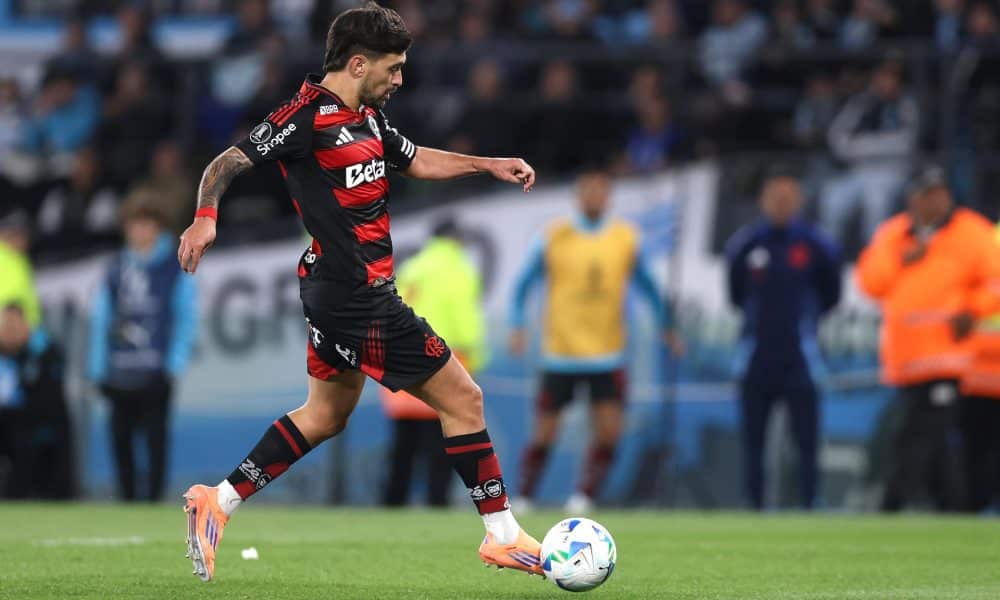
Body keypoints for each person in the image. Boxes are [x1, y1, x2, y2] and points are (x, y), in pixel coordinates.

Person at [176, 3, 539, 582]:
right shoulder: (304, 117)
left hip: (335, 291)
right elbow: (228, 162)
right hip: (357, 298)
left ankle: (217, 501)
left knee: (325, 416)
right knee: (463, 398)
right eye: (393, 68)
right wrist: (205, 218)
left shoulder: (368, 118)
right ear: (358, 63)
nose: (400, 80)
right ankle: (502, 535)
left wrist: (488, 164)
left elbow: (416, 160)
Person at [509, 168, 681, 513]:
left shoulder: (626, 238)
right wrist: (518, 325)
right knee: (545, 432)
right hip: (561, 351)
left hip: (608, 352)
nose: (594, 197)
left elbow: (649, 286)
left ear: (609, 197)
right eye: (588, 190)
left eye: (600, 191)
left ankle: (584, 496)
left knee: (609, 432)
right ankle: (524, 496)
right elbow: (523, 283)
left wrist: (666, 325)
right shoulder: (554, 235)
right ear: (578, 195)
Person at [856, 166, 1000, 511]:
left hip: (949, 354)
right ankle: (950, 507)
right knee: (928, 437)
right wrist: (901, 260)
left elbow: (995, 283)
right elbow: (871, 283)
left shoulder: (973, 232)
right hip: (906, 359)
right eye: (926, 194)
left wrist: (972, 310)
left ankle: (898, 504)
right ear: (912, 199)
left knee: (921, 435)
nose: (934, 201)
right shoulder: (894, 234)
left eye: (939, 194)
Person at [725, 169, 842, 510]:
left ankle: (810, 503)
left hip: (801, 358)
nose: (781, 202)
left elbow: (831, 295)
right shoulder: (746, 244)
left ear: (799, 200)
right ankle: (753, 504)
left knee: (806, 439)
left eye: (788, 196)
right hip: (756, 357)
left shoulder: (817, 244)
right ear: (763, 200)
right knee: (753, 440)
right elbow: (735, 295)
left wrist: (805, 323)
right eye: (775, 195)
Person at [88, 199, 198, 502]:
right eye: (134, 225)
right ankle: (127, 501)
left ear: (158, 229)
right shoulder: (115, 268)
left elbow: (186, 317)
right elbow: (101, 320)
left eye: (146, 225)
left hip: (155, 370)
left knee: (155, 440)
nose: (140, 231)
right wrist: (97, 368)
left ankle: (153, 501)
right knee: (120, 440)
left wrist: (174, 364)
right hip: (119, 370)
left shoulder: (173, 268)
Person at [381, 217, 487, 507]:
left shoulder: (413, 267)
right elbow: (466, 323)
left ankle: (391, 505)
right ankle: (436, 504)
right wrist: (475, 361)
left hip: (402, 362)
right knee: (442, 445)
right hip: (443, 362)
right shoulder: (459, 269)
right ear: (455, 238)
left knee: (403, 447)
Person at [0, 303, 74, 499]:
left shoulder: (43, 351)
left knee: (23, 439)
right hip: (8, 419)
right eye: (6, 324)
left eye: (15, 324)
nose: (10, 330)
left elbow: (48, 399)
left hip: (31, 421)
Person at [960, 220, 1000, 512]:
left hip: (980, 363)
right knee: (978, 444)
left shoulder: (986, 236)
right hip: (982, 364)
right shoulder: (988, 239)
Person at [0, 209, 41, 329]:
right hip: (6, 323)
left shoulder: (22, 259)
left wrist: (34, 323)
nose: (25, 240)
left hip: (25, 326)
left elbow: (28, 295)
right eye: (20, 234)